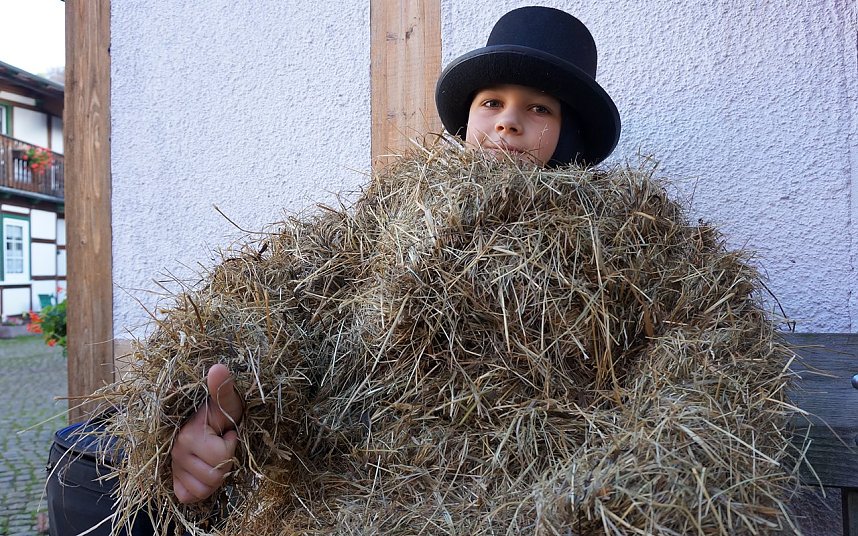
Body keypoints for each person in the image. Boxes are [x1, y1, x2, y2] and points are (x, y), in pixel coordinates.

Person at [170, 5, 621, 505]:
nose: (509, 122)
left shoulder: (606, 242)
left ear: (569, 134)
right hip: (358, 476)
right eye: (492, 102)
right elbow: (289, 292)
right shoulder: (394, 209)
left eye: (540, 108)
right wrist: (222, 395)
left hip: (509, 489)